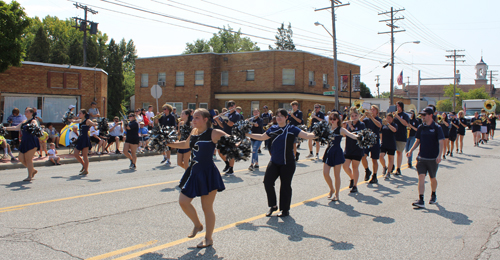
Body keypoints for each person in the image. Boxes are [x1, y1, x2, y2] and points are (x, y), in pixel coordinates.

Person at [167, 108, 227, 248]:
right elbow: (185, 145)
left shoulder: (214, 133)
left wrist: (234, 146)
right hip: (194, 172)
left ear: (206, 119)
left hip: (208, 173)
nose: (193, 120)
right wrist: (168, 143)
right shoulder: (194, 132)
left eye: (197, 118)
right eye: (193, 117)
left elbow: (231, 141)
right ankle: (198, 225)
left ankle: (208, 238)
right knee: (183, 201)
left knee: (207, 208)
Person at [245, 109, 316, 217]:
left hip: (288, 163)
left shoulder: (292, 129)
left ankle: (285, 210)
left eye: (281, 116)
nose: (279, 117)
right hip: (274, 161)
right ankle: (273, 206)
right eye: (277, 115)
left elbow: (307, 135)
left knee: (285, 186)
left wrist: (319, 133)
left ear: (286, 117)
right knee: (267, 182)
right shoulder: (272, 128)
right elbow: (261, 137)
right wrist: (247, 134)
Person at [407, 107, 444, 208]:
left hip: (433, 158)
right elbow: (417, 140)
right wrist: (410, 150)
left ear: (430, 115)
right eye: (422, 115)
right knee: (421, 178)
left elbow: (441, 142)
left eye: (424, 115)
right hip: (422, 157)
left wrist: (439, 155)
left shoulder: (437, 128)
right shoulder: (421, 127)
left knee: (432, 178)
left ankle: (433, 194)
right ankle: (421, 199)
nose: (422, 117)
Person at [323, 112, 359, 201]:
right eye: (331, 119)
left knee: (336, 175)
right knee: (325, 173)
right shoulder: (327, 129)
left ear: (338, 120)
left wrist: (361, 137)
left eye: (334, 119)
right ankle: (331, 189)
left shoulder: (341, 129)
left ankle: (337, 194)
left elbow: (351, 136)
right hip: (329, 152)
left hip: (337, 152)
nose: (332, 121)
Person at [4, 107, 40, 181]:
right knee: (20, 158)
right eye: (25, 111)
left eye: (27, 111)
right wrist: (5, 128)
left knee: (28, 159)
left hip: (31, 141)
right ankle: (32, 170)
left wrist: (33, 126)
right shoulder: (24, 122)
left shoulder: (33, 121)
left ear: (31, 113)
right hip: (24, 141)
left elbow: (36, 127)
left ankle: (30, 176)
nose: (25, 112)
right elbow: (16, 128)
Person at [343, 107, 366, 192]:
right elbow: (345, 135)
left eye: (356, 115)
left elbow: (357, 134)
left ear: (359, 116)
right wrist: (344, 128)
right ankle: (352, 178)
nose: (354, 117)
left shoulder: (361, 124)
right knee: (345, 166)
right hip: (348, 148)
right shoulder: (349, 124)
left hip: (357, 149)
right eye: (352, 116)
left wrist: (350, 126)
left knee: (355, 167)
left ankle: (355, 185)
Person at [215, 100, 239, 175]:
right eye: (229, 106)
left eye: (232, 106)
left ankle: (231, 169)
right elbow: (222, 125)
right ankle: (227, 164)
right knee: (219, 151)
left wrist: (225, 118)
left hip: (232, 135)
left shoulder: (236, 115)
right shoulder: (227, 114)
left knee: (230, 153)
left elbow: (231, 124)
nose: (231, 107)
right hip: (224, 134)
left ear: (235, 106)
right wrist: (217, 119)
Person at [360, 105, 382, 183]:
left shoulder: (378, 119)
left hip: (375, 141)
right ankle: (367, 170)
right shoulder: (366, 119)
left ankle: (375, 176)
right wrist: (364, 115)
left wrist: (371, 118)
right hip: (366, 140)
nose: (371, 111)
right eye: (371, 109)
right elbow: (359, 122)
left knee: (374, 160)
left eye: (373, 110)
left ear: (377, 111)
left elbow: (379, 125)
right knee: (363, 156)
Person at [72, 109, 97, 175]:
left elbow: (93, 123)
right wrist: (68, 119)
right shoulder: (80, 120)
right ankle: (83, 165)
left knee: (84, 155)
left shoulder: (87, 120)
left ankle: (86, 170)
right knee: (76, 154)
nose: (79, 114)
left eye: (80, 113)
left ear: (84, 114)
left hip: (85, 138)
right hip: (80, 138)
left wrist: (96, 124)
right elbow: (72, 121)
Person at [393, 101, 410, 175]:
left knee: (399, 152)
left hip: (401, 136)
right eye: (396, 106)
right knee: (391, 153)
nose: (397, 107)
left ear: (402, 107)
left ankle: (398, 168)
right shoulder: (394, 115)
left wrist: (398, 117)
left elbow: (406, 124)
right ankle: (391, 166)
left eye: (399, 106)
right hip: (393, 136)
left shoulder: (405, 115)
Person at [380, 113, 398, 179]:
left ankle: (388, 173)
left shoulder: (394, 125)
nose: (388, 119)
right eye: (387, 118)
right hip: (384, 143)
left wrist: (388, 124)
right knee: (380, 156)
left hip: (391, 144)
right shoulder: (383, 125)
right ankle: (384, 167)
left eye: (389, 118)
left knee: (390, 159)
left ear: (392, 119)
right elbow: (381, 132)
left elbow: (394, 130)